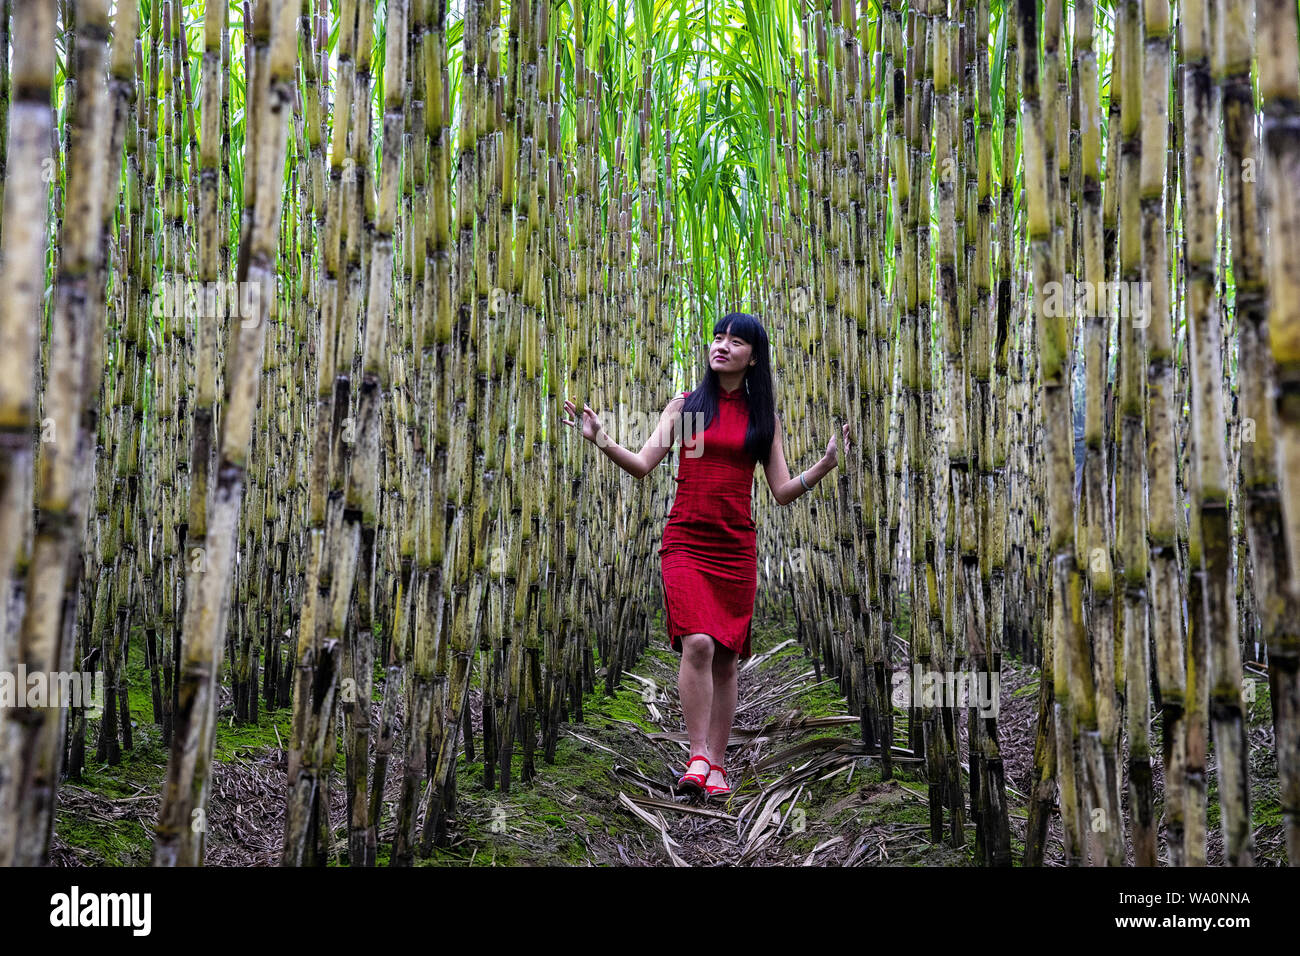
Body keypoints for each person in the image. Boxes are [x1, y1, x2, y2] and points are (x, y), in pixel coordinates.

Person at [561, 311, 850, 801]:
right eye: (718, 337)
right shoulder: (688, 406)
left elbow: (781, 491)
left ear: (753, 357)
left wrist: (824, 464)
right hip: (686, 542)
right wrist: (601, 439)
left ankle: (717, 763)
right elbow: (642, 465)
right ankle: (697, 756)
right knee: (697, 643)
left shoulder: (762, 418)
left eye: (735, 341)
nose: (722, 345)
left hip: (735, 548)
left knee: (727, 661)